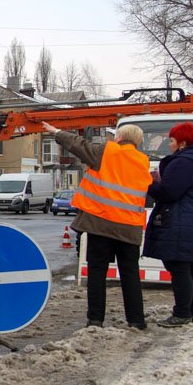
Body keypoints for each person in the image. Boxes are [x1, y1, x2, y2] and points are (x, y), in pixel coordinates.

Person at [45, 122, 151, 330]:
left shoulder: (107, 152)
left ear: (119, 138)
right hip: (129, 227)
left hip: (101, 224)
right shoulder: (143, 161)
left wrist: (57, 132)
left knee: (97, 273)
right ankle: (136, 320)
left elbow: (79, 145)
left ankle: (95, 320)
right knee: (130, 274)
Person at [142, 122, 193, 327]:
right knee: (192, 267)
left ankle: (182, 313)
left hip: (182, 223)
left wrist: (150, 184)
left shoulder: (183, 163)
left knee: (179, 267)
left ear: (183, 143)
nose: (171, 145)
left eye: (173, 141)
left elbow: (169, 193)